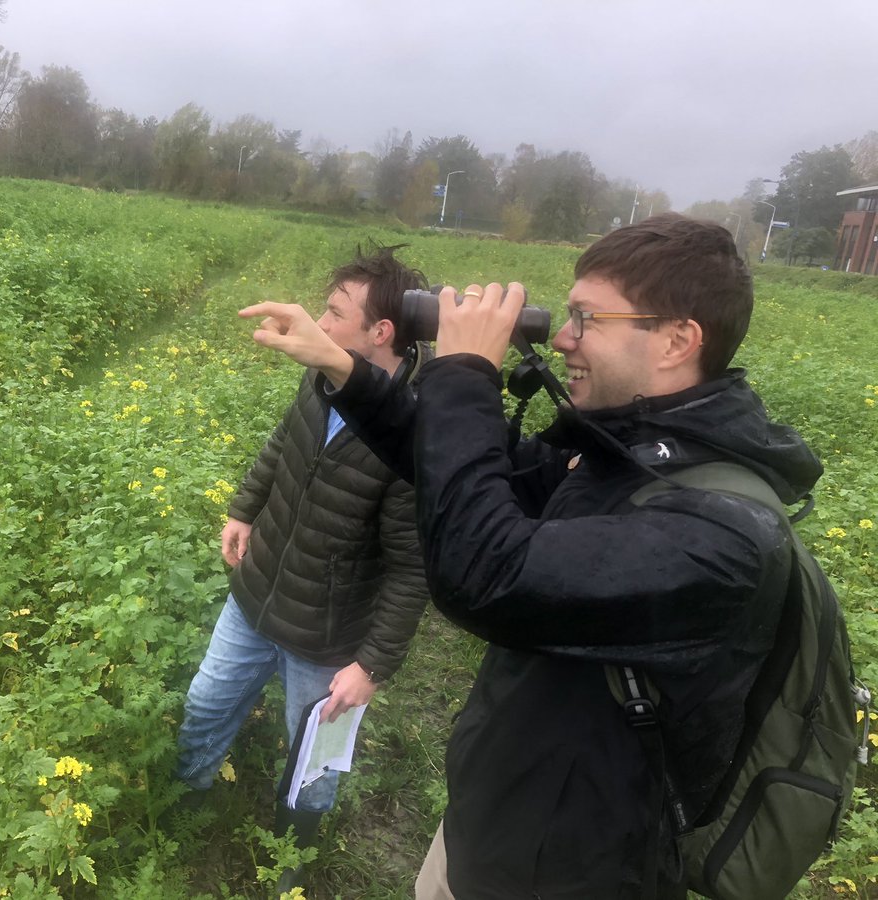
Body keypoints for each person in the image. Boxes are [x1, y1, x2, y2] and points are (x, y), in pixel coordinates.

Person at [240, 214, 825, 899]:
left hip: (565, 875)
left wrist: (466, 373)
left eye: (586, 318)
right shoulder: (627, 457)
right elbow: (461, 470)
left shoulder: (718, 532)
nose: (564, 337)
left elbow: (482, 574)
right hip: (496, 825)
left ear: (677, 340)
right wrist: (344, 366)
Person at [173, 245, 431, 890]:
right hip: (257, 593)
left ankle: (292, 857)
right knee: (206, 701)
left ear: (381, 333)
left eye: (334, 312)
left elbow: (411, 569)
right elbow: (281, 445)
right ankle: (185, 803)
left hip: (328, 635)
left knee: (312, 760)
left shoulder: (415, 435)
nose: (318, 320)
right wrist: (243, 510)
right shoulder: (320, 380)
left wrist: (370, 666)